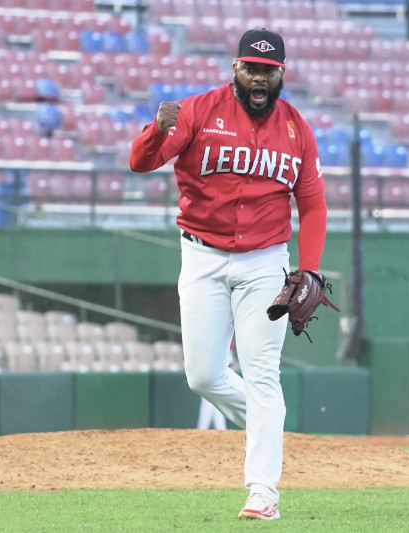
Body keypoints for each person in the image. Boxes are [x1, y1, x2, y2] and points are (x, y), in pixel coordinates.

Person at [129, 28, 328, 520]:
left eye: (269, 71)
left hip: (265, 261)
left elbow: (312, 204)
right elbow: (140, 162)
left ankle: (263, 490)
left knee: (262, 373)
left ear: (282, 74)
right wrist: (156, 131)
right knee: (203, 375)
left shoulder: (297, 129)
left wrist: (309, 266)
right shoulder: (197, 111)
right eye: (251, 68)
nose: (260, 78)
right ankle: (269, 428)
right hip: (202, 255)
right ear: (235, 68)